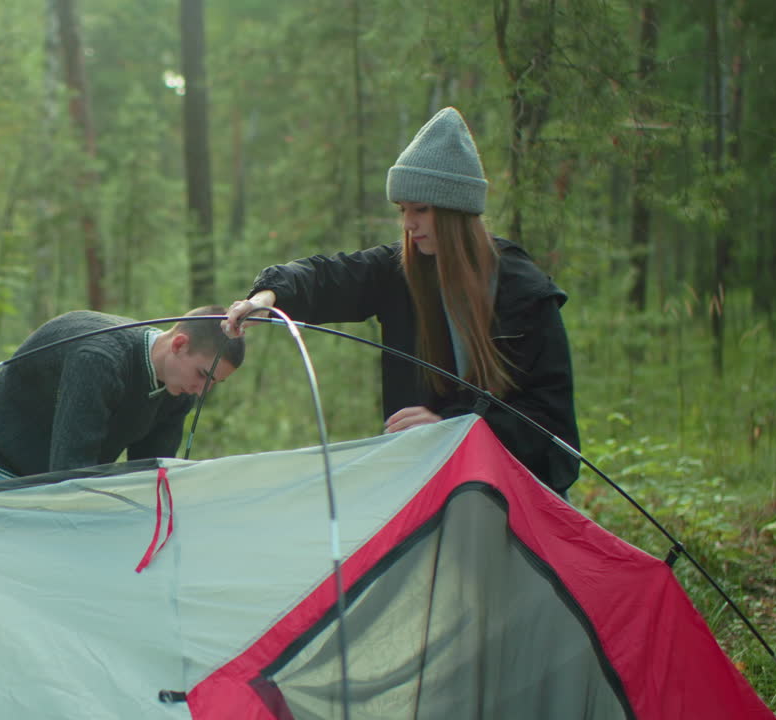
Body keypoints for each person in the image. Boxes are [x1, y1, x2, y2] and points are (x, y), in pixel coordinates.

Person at [223, 107, 580, 495]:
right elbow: (330, 276)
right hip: (424, 489)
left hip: (517, 497)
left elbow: (551, 429)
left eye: (421, 210)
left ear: (454, 211)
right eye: (403, 211)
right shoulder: (402, 270)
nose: (409, 224)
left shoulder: (525, 294)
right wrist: (268, 295)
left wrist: (451, 428)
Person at [0, 305, 245, 485]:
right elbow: (70, 472)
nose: (201, 391)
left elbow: (147, 476)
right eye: (202, 375)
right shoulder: (100, 360)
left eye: (213, 384)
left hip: (57, 477)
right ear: (179, 344)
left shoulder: (179, 390)